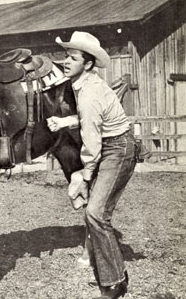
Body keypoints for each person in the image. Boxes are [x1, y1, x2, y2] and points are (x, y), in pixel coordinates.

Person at [47, 31, 137, 299]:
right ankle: (115, 275)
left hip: (118, 150)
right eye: (66, 56)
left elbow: (92, 140)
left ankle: (114, 282)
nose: (66, 62)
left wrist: (84, 175)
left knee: (96, 214)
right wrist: (65, 122)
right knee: (96, 214)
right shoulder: (85, 86)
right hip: (113, 145)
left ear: (87, 64)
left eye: (72, 58)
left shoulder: (89, 92)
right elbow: (92, 119)